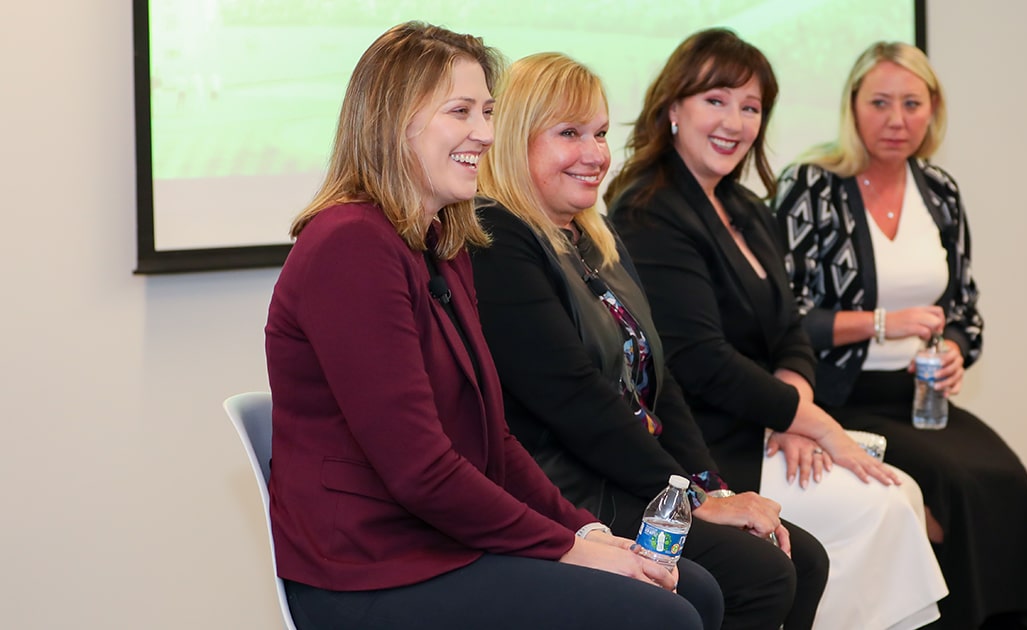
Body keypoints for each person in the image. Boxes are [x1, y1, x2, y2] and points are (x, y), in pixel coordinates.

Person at [263, 22, 723, 630]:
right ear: (392, 121)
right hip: (373, 570)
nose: (485, 133)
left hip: (439, 541)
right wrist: (570, 548)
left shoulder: (442, 242)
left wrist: (583, 528)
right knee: (668, 615)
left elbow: (491, 438)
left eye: (488, 111)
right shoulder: (350, 244)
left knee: (697, 591)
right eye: (461, 112)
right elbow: (420, 470)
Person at [471, 51, 828, 630]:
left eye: (601, 133)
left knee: (801, 557)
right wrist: (695, 504)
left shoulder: (594, 233)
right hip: (573, 487)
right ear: (516, 138)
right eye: (569, 133)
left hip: (633, 475)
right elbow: (577, 401)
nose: (595, 155)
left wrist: (709, 486)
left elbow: (661, 388)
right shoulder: (497, 239)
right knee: (762, 574)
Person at [606, 28, 948, 630]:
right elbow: (701, 360)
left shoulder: (745, 207)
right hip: (714, 447)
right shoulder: (648, 209)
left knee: (902, 496)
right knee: (885, 507)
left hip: (768, 426)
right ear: (672, 108)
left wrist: (794, 410)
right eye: (715, 100)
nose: (734, 121)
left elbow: (792, 327)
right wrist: (808, 422)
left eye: (751, 107)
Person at [771, 41, 1027, 629]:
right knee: (953, 489)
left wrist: (952, 347)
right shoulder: (812, 186)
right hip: (840, 397)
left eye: (911, 103)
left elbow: (964, 309)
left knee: (1005, 481)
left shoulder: (940, 191)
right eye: (879, 102)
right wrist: (882, 323)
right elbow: (783, 317)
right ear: (852, 107)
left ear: (934, 110)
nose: (896, 120)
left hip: (921, 399)